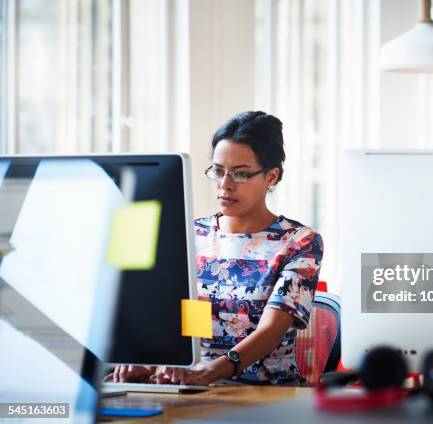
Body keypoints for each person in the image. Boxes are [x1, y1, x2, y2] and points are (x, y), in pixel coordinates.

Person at [106, 111, 324, 385]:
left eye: (241, 174)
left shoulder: (300, 242)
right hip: (196, 387)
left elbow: (271, 331)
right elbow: (192, 321)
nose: (224, 185)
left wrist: (212, 372)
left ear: (271, 177)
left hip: (266, 394)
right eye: (218, 171)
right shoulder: (192, 234)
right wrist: (148, 364)